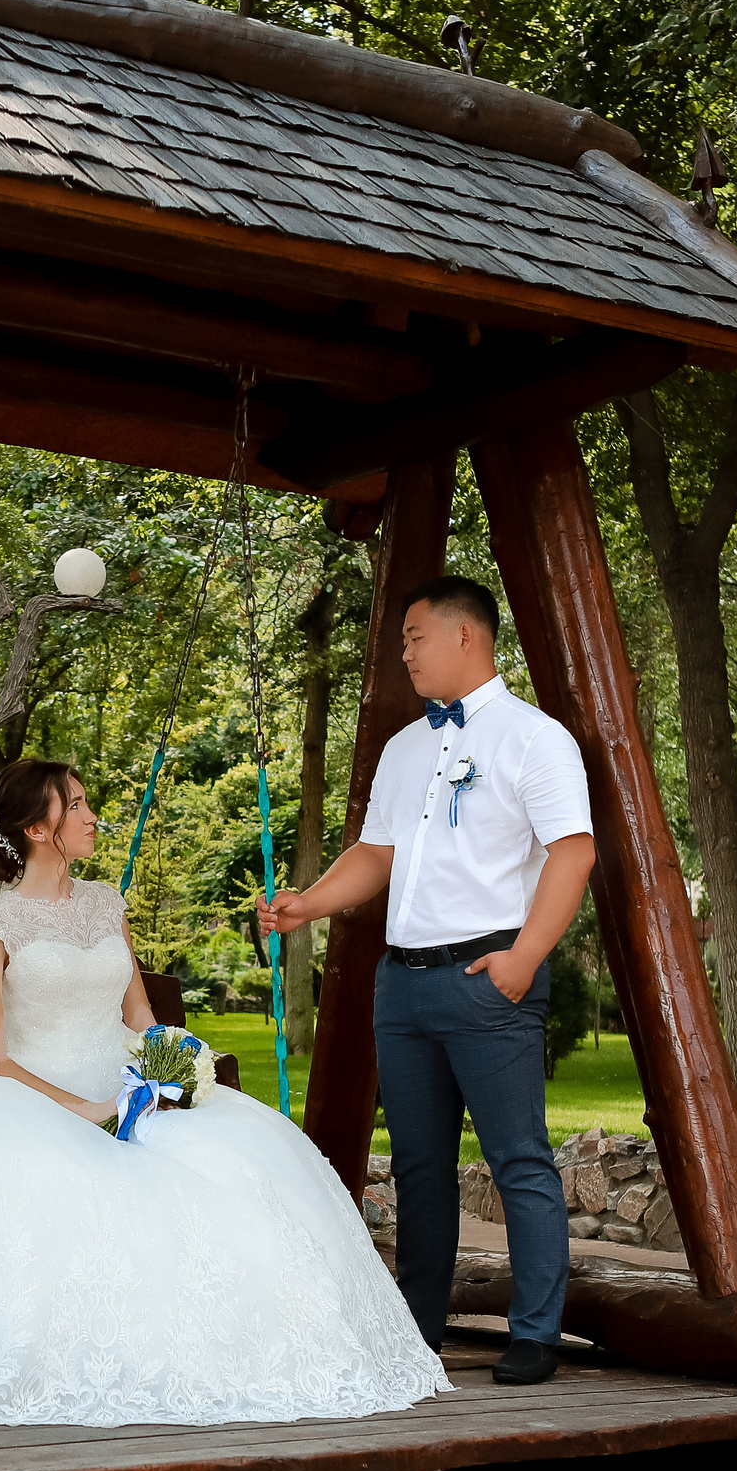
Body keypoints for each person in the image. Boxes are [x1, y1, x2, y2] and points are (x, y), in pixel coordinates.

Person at [0, 758, 447, 1426]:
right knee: (50, 1182)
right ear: (38, 827)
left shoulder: (106, 904)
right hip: (24, 1090)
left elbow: (139, 1015)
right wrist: (79, 1108)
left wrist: (175, 1062)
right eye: (75, 805)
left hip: (120, 1076)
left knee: (244, 1165)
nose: (91, 815)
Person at [259, 577, 594, 1386]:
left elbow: (573, 853)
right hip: (401, 985)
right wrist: (306, 903)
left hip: (488, 977)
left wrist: (523, 958)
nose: (402, 651)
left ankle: (536, 1332)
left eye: (413, 636)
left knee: (518, 1158)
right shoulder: (405, 747)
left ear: (464, 638)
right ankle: (420, 1328)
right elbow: (375, 855)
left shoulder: (535, 739)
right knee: (417, 1166)